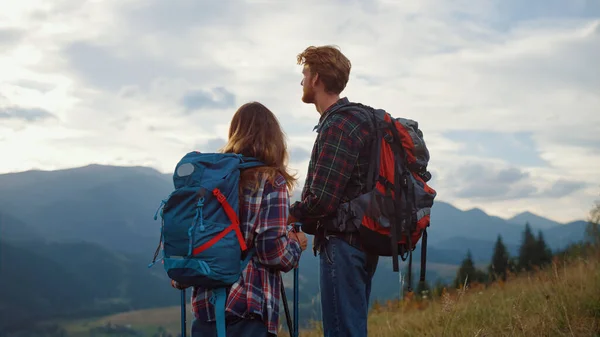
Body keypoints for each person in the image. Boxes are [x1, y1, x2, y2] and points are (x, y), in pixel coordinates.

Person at [172, 101, 308, 337]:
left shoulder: (211, 181)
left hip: (206, 310)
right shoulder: (270, 181)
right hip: (248, 309)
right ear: (274, 139)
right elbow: (271, 251)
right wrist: (296, 244)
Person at [288, 45, 379, 337]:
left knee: (342, 331)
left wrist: (288, 215)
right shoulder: (355, 120)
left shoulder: (339, 124)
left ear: (316, 79)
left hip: (343, 244)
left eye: (304, 73)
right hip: (362, 241)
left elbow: (323, 200)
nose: (301, 81)